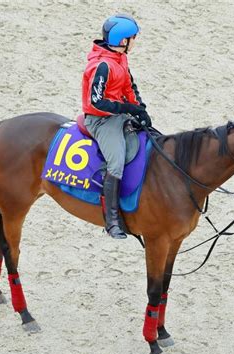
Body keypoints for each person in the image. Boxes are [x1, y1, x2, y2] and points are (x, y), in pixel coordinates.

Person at [82, 14, 152, 239]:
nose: (135, 42)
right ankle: (111, 219)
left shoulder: (120, 59)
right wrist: (126, 109)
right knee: (116, 161)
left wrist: (139, 108)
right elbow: (96, 101)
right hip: (101, 119)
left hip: (119, 113)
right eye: (133, 38)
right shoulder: (102, 65)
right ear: (123, 41)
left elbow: (130, 87)